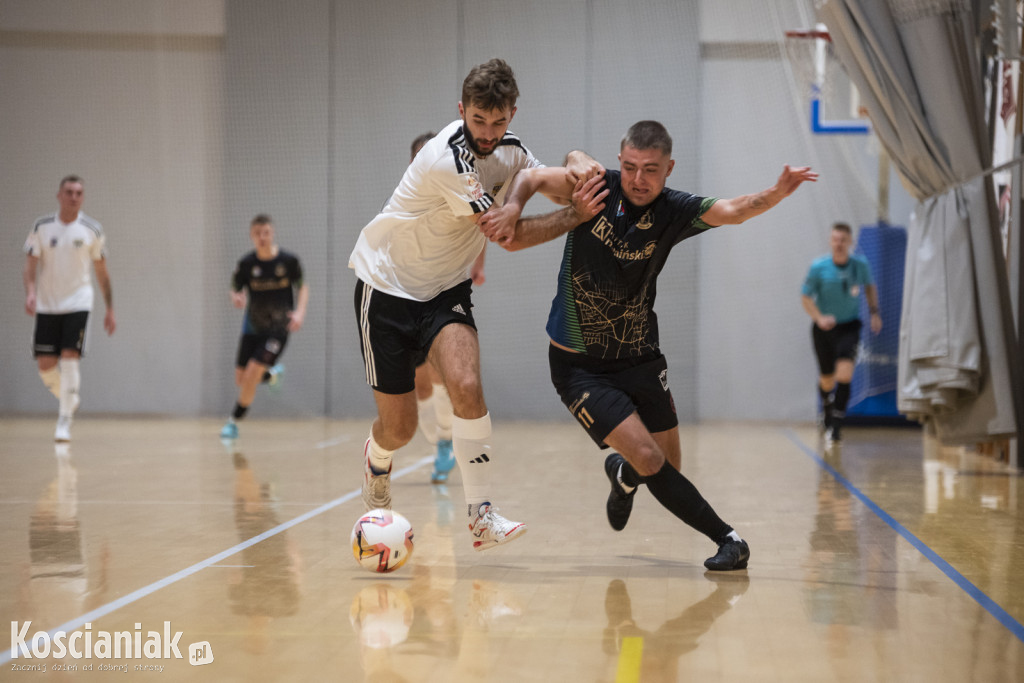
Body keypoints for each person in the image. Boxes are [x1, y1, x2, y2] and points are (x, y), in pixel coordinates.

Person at [481, 120, 817, 570]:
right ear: (620, 161)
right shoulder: (595, 186)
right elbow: (534, 176)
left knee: (663, 465)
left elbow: (735, 209)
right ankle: (729, 539)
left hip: (639, 356)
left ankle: (621, 476)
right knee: (647, 454)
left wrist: (777, 192)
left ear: (669, 169)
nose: (640, 179)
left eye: (652, 170)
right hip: (579, 365)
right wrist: (514, 205)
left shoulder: (675, 211)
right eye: (632, 167)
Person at [348, 58, 605, 551]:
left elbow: (551, 179)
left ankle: (482, 514)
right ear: (461, 110)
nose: (488, 133)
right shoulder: (450, 161)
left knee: (465, 383)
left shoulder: (510, 150)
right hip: (387, 288)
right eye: (478, 121)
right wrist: (578, 213)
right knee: (400, 429)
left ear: (512, 113)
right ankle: (377, 455)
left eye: (499, 121)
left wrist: (578, 160)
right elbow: (509, 236)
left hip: (445, 288)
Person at [23, 175, 116, 442]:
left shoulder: (92, 229)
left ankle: (64, 421)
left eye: (78, 193)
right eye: (69, 192)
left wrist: (110, 308)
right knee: (46, 366)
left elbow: (102, 272)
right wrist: (30, 292)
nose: (73, 197)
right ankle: (69, 396)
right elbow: (30, 264)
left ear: (82, 198)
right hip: (47, 303)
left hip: (78, 302)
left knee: (69, 357)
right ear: (59, 195)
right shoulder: (42, 227)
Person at [220, 214, 309, 440]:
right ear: (251, 235)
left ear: (272, 233)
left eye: (266, 232)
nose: (262, 237)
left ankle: (233, 421)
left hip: (278, 329)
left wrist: (299, 312)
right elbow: (235, 288)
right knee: (241, 379)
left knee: (251, 374)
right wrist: (236, 297)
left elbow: (303, 286)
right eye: (257, 233)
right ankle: (271, 376)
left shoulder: (288, 261)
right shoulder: (247, 264)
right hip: (252, 327)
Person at [800, 222, 881, 446]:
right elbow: (805, 297)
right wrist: (819, 318)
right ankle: (826, 408)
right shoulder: (819, 267)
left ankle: (836, 425)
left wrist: (875, 312)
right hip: (824, 329)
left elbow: (869, 287)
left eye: (843, 240)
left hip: (849, 327)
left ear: (850, 242)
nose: (839, 244)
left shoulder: (859, 265)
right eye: (835, 239)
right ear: (830, 241)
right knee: (827, 379)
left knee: (844, 374)